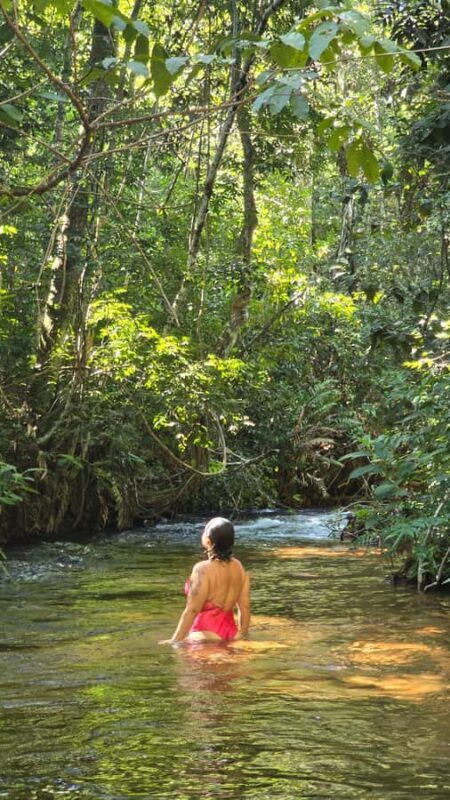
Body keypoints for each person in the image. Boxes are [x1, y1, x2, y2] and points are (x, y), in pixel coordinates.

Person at [160, 517, 250, 644]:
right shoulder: (239, 567)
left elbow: (192, 610)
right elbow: (244, 607)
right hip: (231, 632)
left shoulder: (202, 570)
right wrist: (242, 635)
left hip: (205, 632)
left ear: (208, 541)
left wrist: (174, 641)